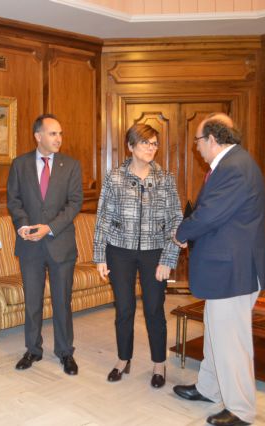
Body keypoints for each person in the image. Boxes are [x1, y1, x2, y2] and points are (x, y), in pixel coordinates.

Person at [173, 113, 265, 426]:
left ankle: (241, 410)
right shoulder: (234, 164)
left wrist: (181, 232)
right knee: (217, 333)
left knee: (232, 342)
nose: (197, 147)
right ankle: (210, 388)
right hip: (227, 269)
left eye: (198, 141)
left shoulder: (234, 168)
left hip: (235, 271)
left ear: (212, 140)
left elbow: (209, 215)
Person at [92, 123, 182, 388]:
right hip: (119, 251)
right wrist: (100, 256)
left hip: (154, 252)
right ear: (130, 146)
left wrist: (168, 258)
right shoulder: (114, 177)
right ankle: (123, 359)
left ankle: (158, 363)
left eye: (154, 143)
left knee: (154, 308)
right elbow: (103, 218)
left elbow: (176, 219)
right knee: (124, 308)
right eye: (145, 143)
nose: (151, 148)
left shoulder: (165, 178)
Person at [7, 114, 83, 375]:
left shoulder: (71, 165)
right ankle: (33, 350)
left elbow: (75, 204)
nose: (59, 139)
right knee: (33, 302)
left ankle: (65, 352)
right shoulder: (20, 164)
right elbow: (14, 201)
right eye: (53, 134)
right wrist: (25, 226)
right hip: (30, 245)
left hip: (60, 243)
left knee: (62, 301)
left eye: (60, 133)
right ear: (38, 136)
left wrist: (49, 228)